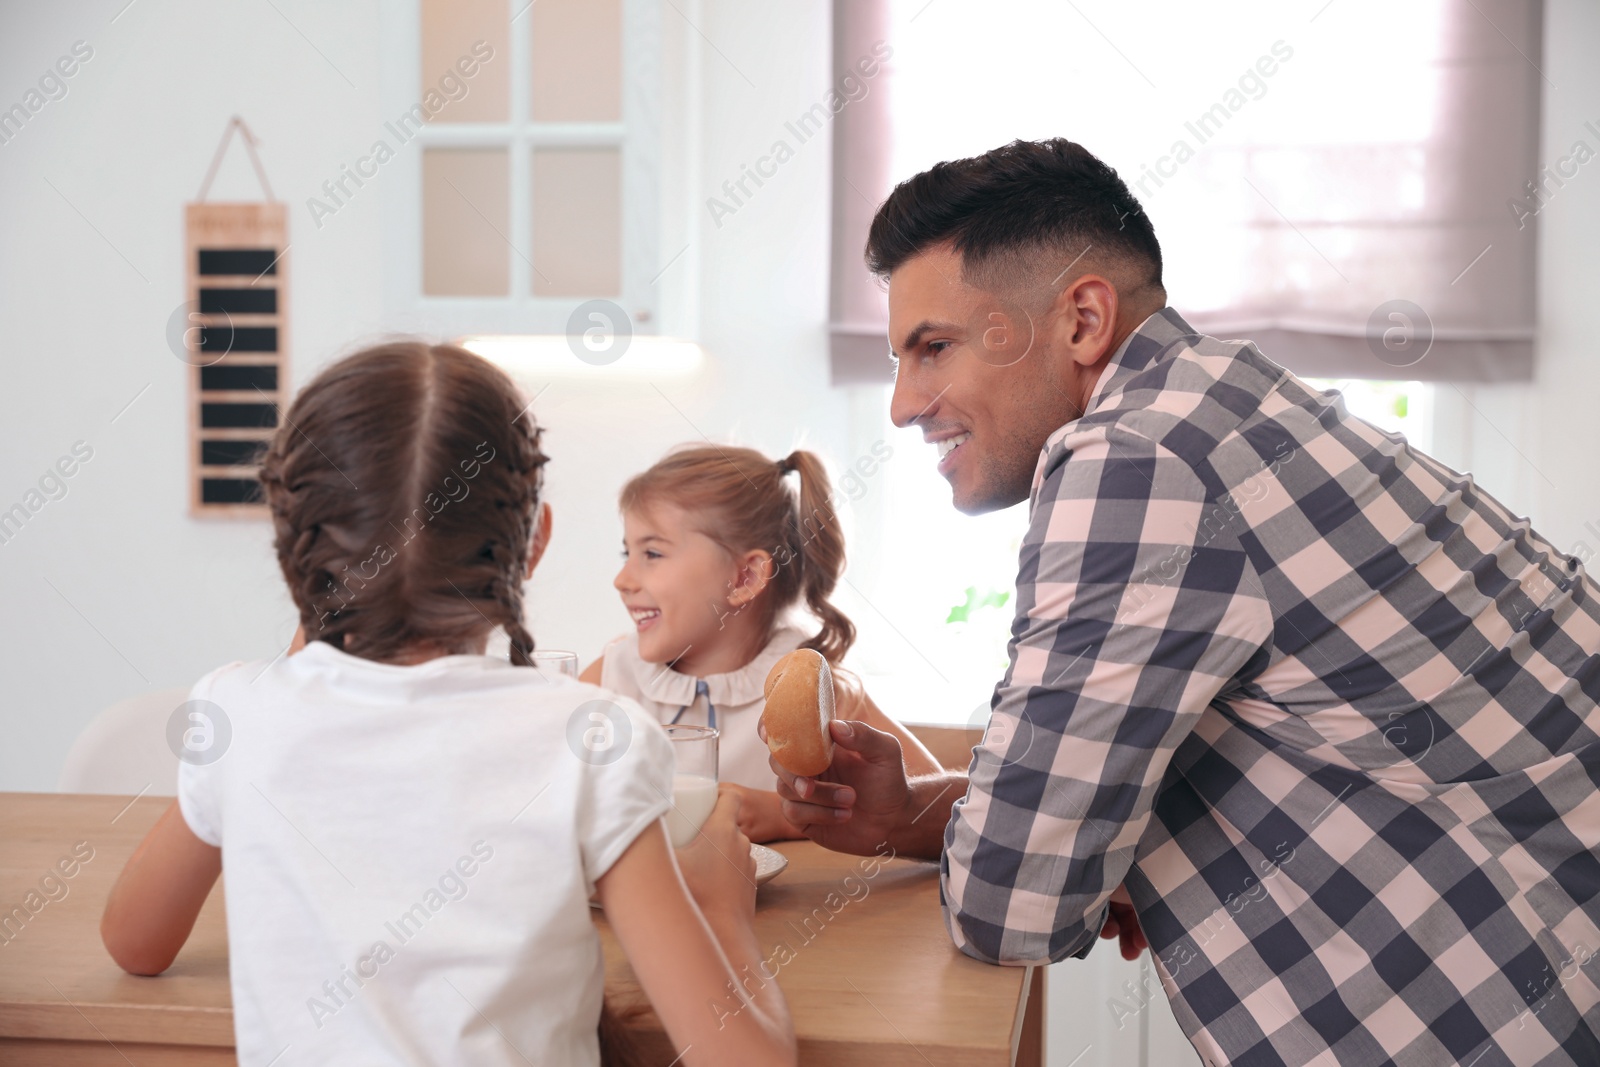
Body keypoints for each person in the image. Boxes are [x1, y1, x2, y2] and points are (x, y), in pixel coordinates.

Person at [772, 138, 1600, 1066]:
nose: (901, 405)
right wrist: (915, 815)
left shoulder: (1135, 462)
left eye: (933, 348)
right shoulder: (1224, 407)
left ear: (1083, 319)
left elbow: (1010, 903)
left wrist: (1077, 860)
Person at [99, 342, 796, 1067]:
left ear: (291, 549)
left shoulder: (240, 715)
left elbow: (134, 941)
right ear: (533, 544)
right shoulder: (594, 739)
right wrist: (720, 907)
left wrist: (327, 608)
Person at [581, 444, 940, 843]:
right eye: (626, 552)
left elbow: (934, 806)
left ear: (745, 579)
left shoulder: (815, 693)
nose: (622, 579)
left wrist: (789, 817)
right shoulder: (608, 680)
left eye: (651, 553)